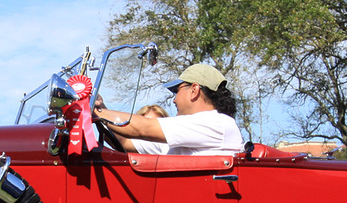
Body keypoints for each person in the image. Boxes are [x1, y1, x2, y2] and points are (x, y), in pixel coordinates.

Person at [92, 63, 244, 156]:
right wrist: (100, 106)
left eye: (177, 90)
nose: (174, 99)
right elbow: (124, 141)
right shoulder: (185, 138)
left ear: (194, 90)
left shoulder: (216, 123)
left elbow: (143, 128)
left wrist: (92, 109)